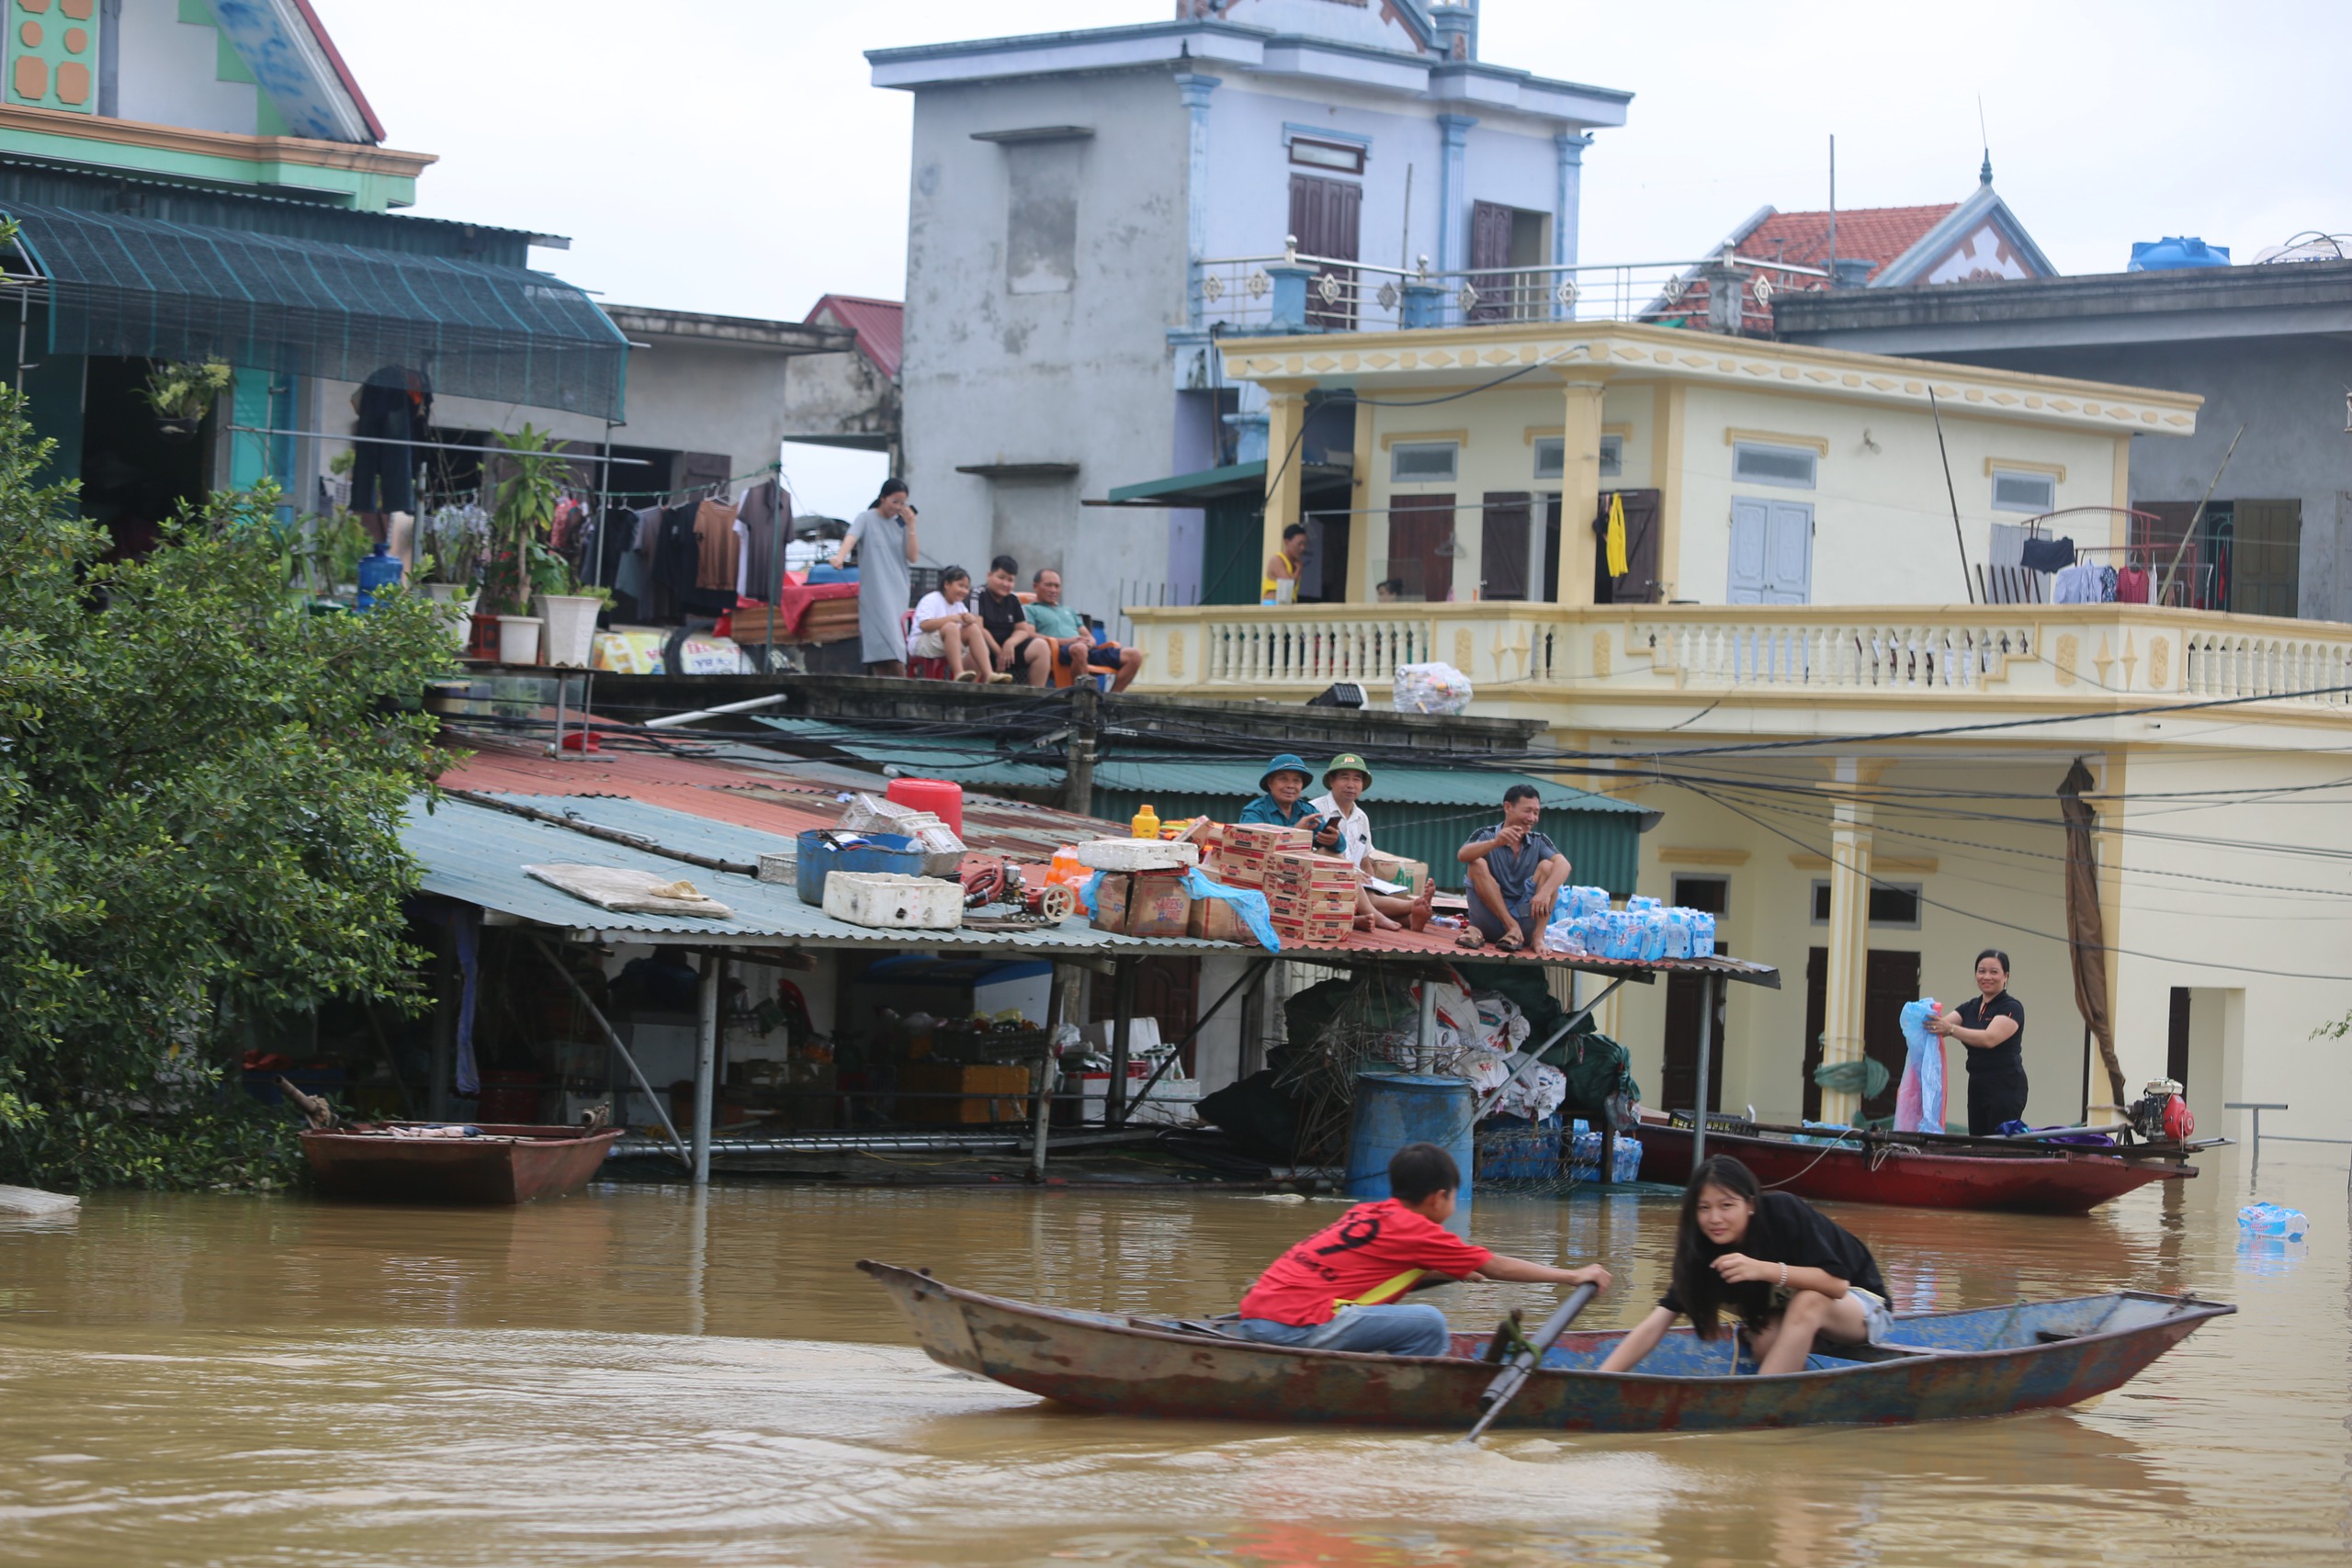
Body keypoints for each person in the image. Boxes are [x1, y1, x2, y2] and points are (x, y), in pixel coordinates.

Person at [1232, 1141, 1611, 1357]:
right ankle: (1418, 1397)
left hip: (1256, 1314)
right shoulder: (1419, 1231)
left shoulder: (1368, 1213)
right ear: (1439, 1198)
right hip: (1294, 1329)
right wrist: (1572, 1275)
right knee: (1429, 1323)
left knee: (1400, 1318)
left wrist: (1448, 1270)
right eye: (1454, 1198)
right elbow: (1496, 1265)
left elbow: (1376, 1270)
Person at [1597, 1156, 1894, 1377]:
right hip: (1800, 1321)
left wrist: (1763, 1269)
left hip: (1862, 1307)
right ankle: (1801, 1400)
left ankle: (1759, 1409)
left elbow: (1837, 1284)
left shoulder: (1783, 1213)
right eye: (1704, 1208)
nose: (1715, 1219)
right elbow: (1656, 1324)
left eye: (1727, 1206)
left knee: (1809, 1300)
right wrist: (1602, 1379)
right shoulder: (1703, 1251)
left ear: (1750, 1204)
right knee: (1763, 1342)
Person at [1309, 753, 1434, 932]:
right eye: (1344, 777)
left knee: (1368, 895)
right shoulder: (1315, 810)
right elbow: (1309, 854)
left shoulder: (1361, 817)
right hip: (1327, 881)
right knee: (1363, 894)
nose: (1351, 785)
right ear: (1331, 780)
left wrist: (1372, 883)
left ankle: (1410, 917)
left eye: (1357, 779)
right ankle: (1412, 906)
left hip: (1357, 884)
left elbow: (1365, 860)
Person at [1454, 784, 1572, 952]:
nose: (1532, 818)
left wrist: (1545, 893)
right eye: (1527, 811)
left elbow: (1565, 865)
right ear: (1508, 807)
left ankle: (1538, 938)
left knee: (1548, 867)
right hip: (1488, 918)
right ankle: (1511, 926)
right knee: (1477, 863)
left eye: (1536, 813)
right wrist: (1496, 843)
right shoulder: (1486, 835)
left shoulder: (1539, 840)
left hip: (1523, 915)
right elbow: (1462, 854)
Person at [1931, 948, 2029, 1135]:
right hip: (1977, 1083)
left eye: (1994, 972)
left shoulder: (2011, 1007)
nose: (1987, 977)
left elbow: (1989, 1039)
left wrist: (1951, 1030)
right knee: (1977, 1141)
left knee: (1998, 1142)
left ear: (2005, 976)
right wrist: (1920, 1018)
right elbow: (1941, 1026)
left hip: (2005, 1085)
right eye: (1982, 971)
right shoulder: (1970, 1007)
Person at [831, 479, 919, 676]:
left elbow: (912, 556)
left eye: (902, 503)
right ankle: (891, 684)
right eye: (894, 502)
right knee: (881, 645)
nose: (897, 507)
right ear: (883, 498)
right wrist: (840, 556)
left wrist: (911, 525)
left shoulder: (902, 524)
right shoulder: (866, 518)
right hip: (875, 591)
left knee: (896, 641)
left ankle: (900, 686)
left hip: (898, 589)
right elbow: (852, 537)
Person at [1025, 567, 1146, 693]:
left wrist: (1089, 642)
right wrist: (1067, 641)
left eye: (1057, 586)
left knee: (1134, 655)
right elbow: (1030, 634)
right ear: (1035, 586)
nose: (1053, 590)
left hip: (1086, 650)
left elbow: (1089, 636)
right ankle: (1085, 696)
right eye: (1048, 585)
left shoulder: (1068, 611)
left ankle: (1110, 700)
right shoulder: (1030, 609)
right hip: (1060, 651)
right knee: (1079, 649)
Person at [907, 566, 1008, 683]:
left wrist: (970, 619)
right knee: (951, 627)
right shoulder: (931, 599)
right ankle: (959, 672)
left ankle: (989, 674)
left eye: (966, 587)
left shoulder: (959, 605)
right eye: (960, 586)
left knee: (973, 628)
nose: (964, 591)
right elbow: (924, 625)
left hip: (946, 644)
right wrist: (951, 619)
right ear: (947, 584)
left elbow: (965, 629)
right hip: (922, 644)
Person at [975, 554, 1050, 685]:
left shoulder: (1014, 599)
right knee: (975, 645)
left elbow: (1022, 630)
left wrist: (1010, 643)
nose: (1005, 584)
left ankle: (1036, 698)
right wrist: (999, 652)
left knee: (1041, 646)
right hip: (984, 650)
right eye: (1001, 578)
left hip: (1009, 653)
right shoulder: (977, 595)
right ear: (989, 576)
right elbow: (978, 628)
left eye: (1010, 580)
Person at [1238, 753, 1327, 831]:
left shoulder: (1308, 811)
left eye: (1296, 780)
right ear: (1270, 783)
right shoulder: (1255, 811)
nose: (1291, 786)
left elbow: (1336, 841)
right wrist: (1295, 830)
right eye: (1283, 779)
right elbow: (1252, 842)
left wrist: (1334, 838)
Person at [1262, 523, 1308, 605]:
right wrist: (1298, 570)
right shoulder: (1277, 560)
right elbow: (1288, 585)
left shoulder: (1295, 563)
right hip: (1272, 605)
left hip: (1287, 606)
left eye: (1305, 544)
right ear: (1287, 542)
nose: (1303, 548)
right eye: (1299, 544)